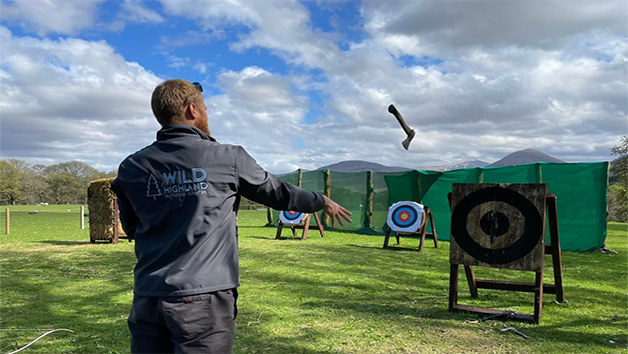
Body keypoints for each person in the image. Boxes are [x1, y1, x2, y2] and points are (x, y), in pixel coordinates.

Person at [111, 79, 352, 354]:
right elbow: (277, 192)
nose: (206, 114)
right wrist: (320, 201)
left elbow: (131, 227)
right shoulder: (227, 157)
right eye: (205, 109)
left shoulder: (131, 166)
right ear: (192, 110)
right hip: (203, 299)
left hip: (148, 296)